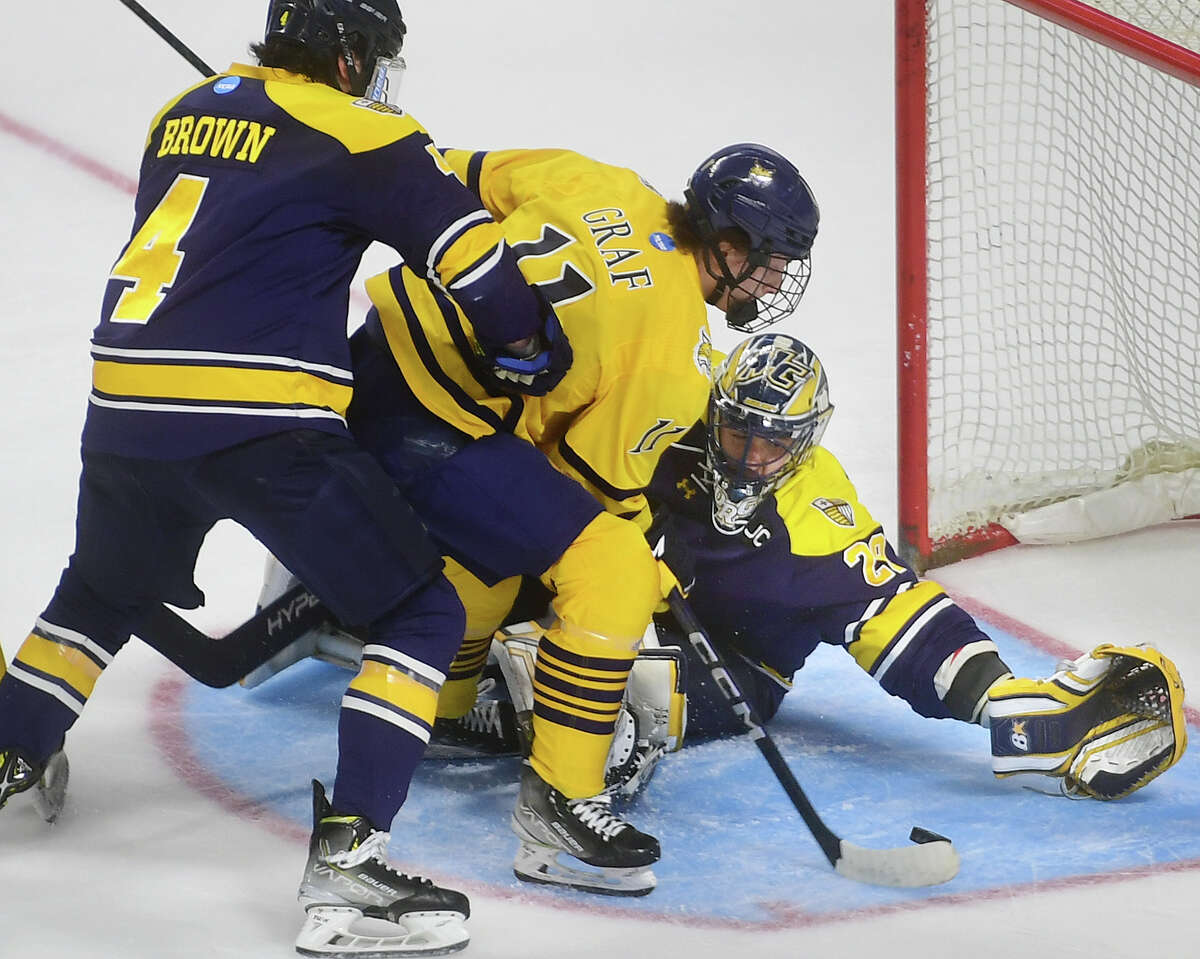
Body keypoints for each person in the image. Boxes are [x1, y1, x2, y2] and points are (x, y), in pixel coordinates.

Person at [0, 2, 573, 956]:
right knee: (418, 614)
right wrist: (530, 342)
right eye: (380, 58)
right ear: (349, 58)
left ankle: (12, 740)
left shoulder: (180, 108)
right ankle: (349, 871)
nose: (387, 75)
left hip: (126, 408)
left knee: (101, 588)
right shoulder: (365, 130)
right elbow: (475, 267)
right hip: (258, 420)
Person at [248, 141, 820, 896]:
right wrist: (646, 561)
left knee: (501, 533)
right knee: (609, 566)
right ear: (729, 245)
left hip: (364, 363)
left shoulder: (606, 180)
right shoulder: (674, 357)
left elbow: (440, 172)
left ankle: (447, 703)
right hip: (429, 428)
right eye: (773, 259)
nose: (776, 279)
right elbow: (584, 492)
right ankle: (562, 801)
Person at [439, 331, 1188, 807]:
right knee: (484, 557)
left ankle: (493, 703)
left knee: (605, 678)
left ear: (804, 440)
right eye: (738, 430)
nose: (751, 455)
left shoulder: (817, 515)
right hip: (630, 589)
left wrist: (1006, 701)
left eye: (773, 442)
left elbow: (904, 619)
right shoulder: (675, 438)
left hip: (733, 664)